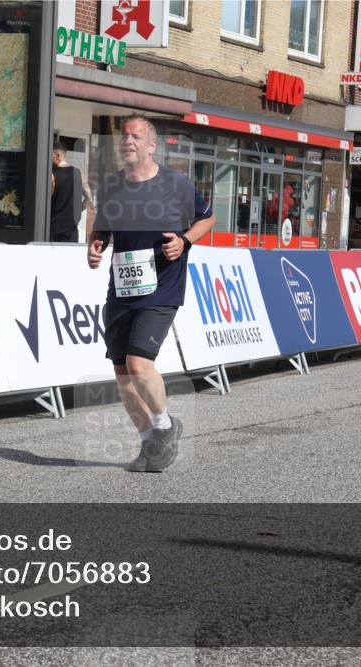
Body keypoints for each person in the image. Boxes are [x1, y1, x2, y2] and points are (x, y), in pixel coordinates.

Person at [87, 115, 216, 473]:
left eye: (135, 136)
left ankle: (165, 426)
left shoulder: (175, 184)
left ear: (151, 145)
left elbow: (207, 219)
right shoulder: (112, 187)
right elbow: (101, 231)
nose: (127, 141)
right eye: (124, 137)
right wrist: (94, 247)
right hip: (122, 291)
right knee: (122, 377)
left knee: (138, 365)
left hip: (161, 288)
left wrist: (185, 240)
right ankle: (149, 448)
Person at [50, 141, 94, 242]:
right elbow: (89, 198)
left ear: (57, 155)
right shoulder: (78, 173)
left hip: (54, 231)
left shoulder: (51, 175)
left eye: (50, 156)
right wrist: (78, 210)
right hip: (72, 232)